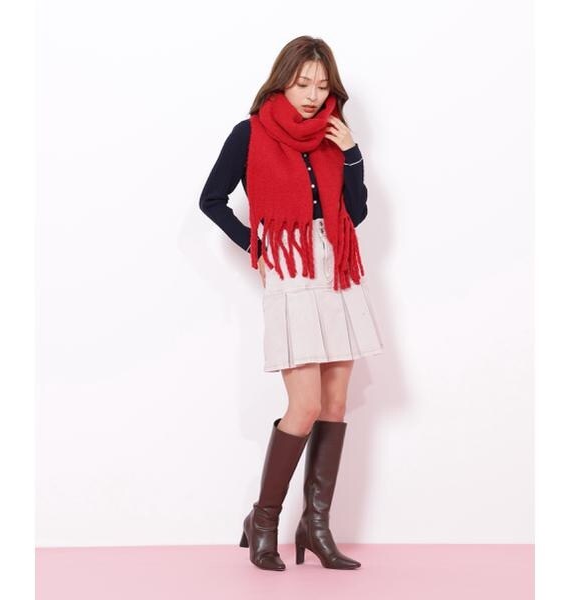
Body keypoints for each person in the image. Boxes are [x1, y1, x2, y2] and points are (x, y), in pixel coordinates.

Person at [199, 35, 385, 571]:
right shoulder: (250, 133)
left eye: (322, 85)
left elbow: (356, 213)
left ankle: (315, 526)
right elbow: (212, 200)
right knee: (303, 406)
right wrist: (256, 246)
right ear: (282, 81)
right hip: (291, 265)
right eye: (303, 83)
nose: (312, 95)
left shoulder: (333, 134)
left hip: (339, 264)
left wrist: (351, 153)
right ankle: (263, 520)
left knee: (335, 406)